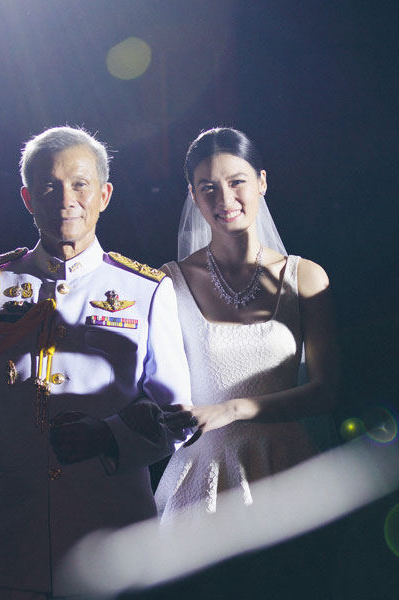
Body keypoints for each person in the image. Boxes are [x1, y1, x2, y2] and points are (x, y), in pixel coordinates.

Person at [0, 126, 193, 598]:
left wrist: (109, 435)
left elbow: (178, 416)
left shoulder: (146, 291)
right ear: (27, 198)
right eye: (49, 186)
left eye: (80, 184)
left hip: (114, 541)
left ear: (104, 195)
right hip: (12, 543)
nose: (66, 200)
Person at [153, 127, 339, 524]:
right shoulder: (168, 283)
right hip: (203, 475)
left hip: (285, 468)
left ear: (262, 182)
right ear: (193, 196)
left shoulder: (306, 277)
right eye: (208, 188)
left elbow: (328, 392)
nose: (224, 199)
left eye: (237, 182)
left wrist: (233, 409)